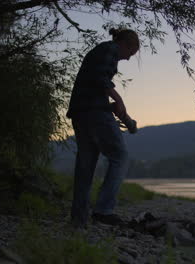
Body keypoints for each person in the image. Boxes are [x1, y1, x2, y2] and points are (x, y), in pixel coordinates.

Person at [66, 28, 140, 229]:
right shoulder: (110, 49)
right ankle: (103, 211)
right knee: (120, 156)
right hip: (94, 113)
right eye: (131, 53)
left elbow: (93, 85)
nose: (128, 58)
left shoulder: (101, 51)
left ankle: (79, 219)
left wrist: (111, 107)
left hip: (81, 112)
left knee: (86, 165)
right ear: (126, 44)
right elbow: (100, 78)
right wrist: (118, 99)